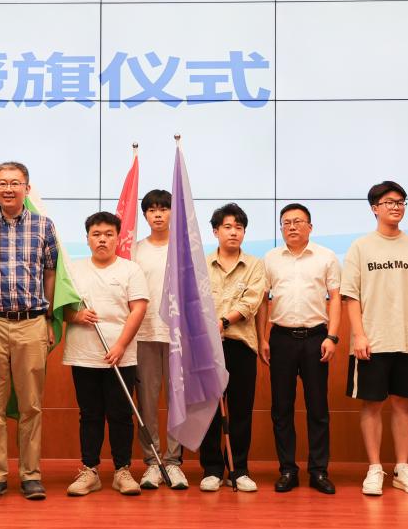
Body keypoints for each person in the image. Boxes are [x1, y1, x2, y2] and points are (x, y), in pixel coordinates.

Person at [0, 161, 58, 502]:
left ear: (26, 189)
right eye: (1, 183)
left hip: (32, 322)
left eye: (15, 183)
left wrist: (48, 318)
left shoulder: (44, 226)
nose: (8, 188)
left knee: (31, 405)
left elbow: (51, 273)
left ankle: (31, 475)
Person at [341, 181, 408, 496]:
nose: (396, 207)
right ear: (375, 208)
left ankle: (402, 468)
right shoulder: (361, 247)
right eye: (389, 202)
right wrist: (359, 335)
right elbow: (350, 296)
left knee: (402, 404)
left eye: (400, 202)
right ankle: (374, 468)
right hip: (372, 340)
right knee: (372, 404)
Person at [63, 212, 149, 497]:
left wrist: (121, 345)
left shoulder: (130, 270)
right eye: (96, 234)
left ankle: (122, 470)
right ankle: (90, 470)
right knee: (90, 414)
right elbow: (60, 309)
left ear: (117, 238)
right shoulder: (73, 270)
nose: (102, 239)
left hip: (121, 355)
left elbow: (138, 309)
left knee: (121, 414)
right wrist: (76, 316)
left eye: (108, 234)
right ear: (87, 238)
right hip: (84, 354)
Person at [260, 203, 341, 494]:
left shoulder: (326, 257)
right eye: (286, 222)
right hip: (281, 338)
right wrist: (262, 338)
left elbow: (335, 297)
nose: (292, 227)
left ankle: (318, 471)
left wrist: (332, 337)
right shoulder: (270, 258)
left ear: (310, 226)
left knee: (317, 407)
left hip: (315, 338)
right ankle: (287, 470)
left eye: (298, 221)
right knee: (281, 408)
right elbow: (263, 301)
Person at [199, 203, 267, 492]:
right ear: (216, 231)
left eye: (239, 227)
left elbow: (252, 301)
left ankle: (239, 469)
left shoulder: (255, 265)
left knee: (240, 409)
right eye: (227, 227)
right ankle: (212, 469)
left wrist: (224, 321)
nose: (233, 232)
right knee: (209, 410)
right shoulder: (201, 264)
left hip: (240, 344)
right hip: (206, 347)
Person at [131, 189, 189, 490]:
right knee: (147, 402)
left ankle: (174, 462)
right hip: (144, 333)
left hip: (178, 336)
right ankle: (153, 462)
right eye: (152, 210)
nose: (158, 214)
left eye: (163, 209)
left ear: (172, 213)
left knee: (178, 400)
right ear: (144, 215)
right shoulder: (135, 250)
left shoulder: (184, 250)